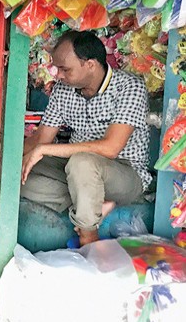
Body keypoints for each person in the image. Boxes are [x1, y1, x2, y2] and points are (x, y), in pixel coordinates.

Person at [21, 30, 150, 246]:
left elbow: (110, 149)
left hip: (124, 173)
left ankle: (88, 237)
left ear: (90, 64)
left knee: (83, 162)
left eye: (65, 69)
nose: (58, 75)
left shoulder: (129, 87)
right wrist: (0, 153)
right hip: (76, 172)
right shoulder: (64, 90)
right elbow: (41, 138)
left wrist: (45, 150)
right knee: (15, 173)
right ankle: (90, 204)